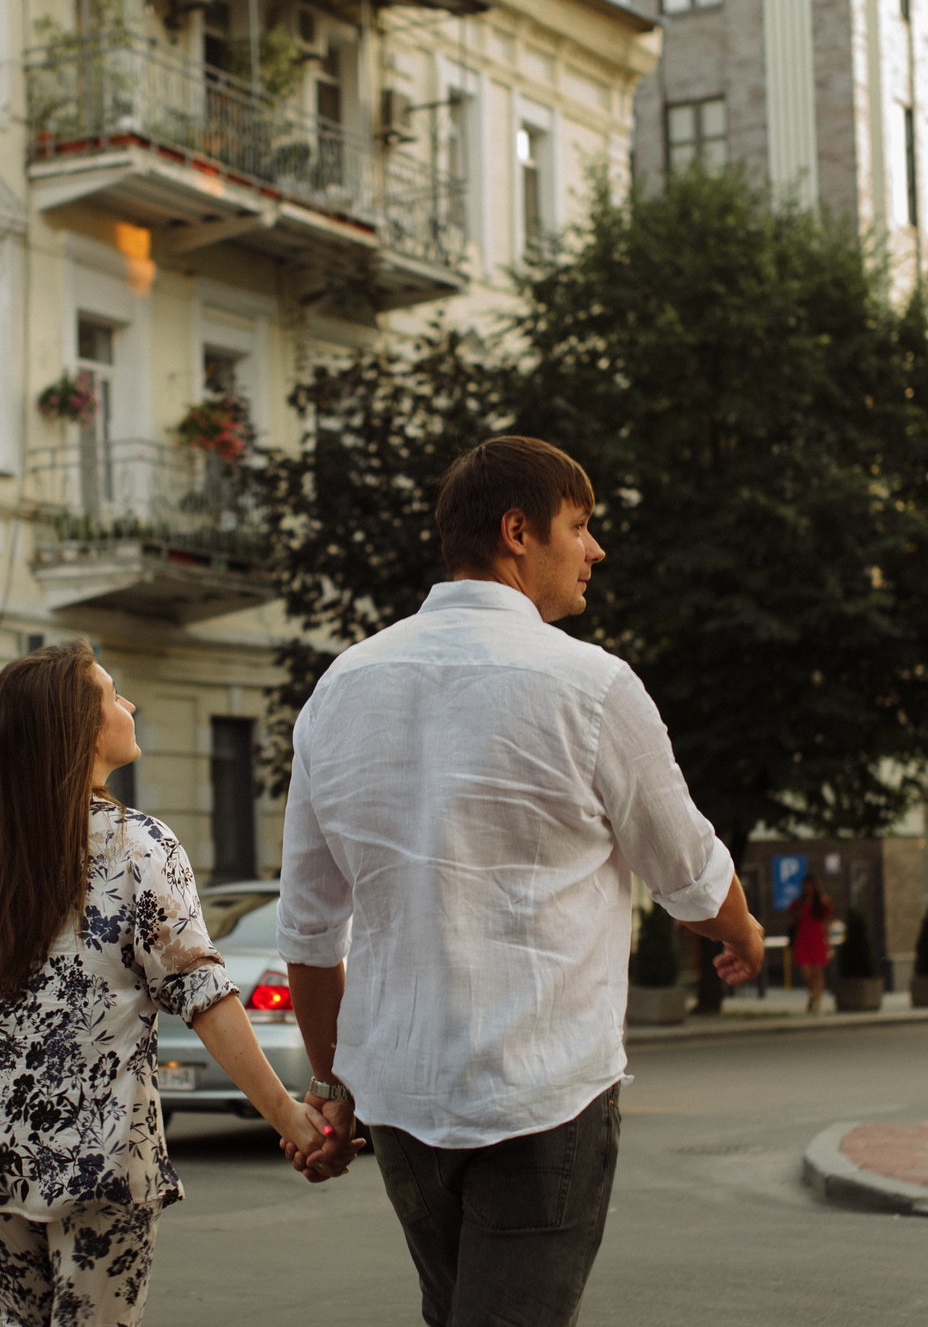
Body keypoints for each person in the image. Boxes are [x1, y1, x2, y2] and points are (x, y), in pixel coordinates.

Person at [277, 436, 766, 1327]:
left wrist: (332, 1086)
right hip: (540, 1095)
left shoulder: (340, 687)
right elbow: (690, 873)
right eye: (579, 526)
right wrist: (743, 932)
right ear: (517, 532)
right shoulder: (591, 685)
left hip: (402, 1103)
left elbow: (310, 930)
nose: (595, 550)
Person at [0, 642, 332, 1325]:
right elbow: (202, 994)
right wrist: (289, 1116)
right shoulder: (139, 846)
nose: (128, 705)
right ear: (79, 728)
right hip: (102, 1152)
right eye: (113, 695)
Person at [789, 874, 837, 1015]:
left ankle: (816, 999)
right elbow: (794, 921)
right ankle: (812, 994)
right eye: (806, 886)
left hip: (817, 939)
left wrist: (828, 943)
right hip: (802, 939)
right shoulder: (798, 903)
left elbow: (825, 924)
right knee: (807, 974)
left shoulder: (822, 903)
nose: (808, 888)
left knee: (818, 972)